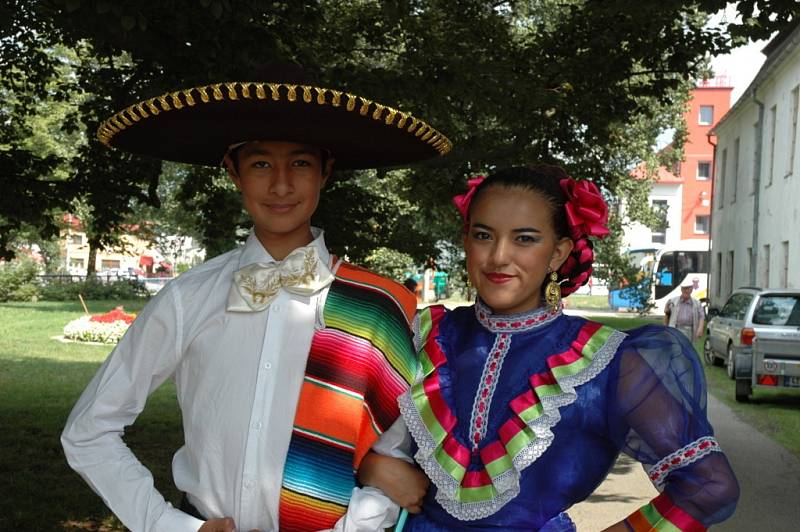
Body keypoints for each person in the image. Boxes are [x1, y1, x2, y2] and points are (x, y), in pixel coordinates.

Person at [61, 63, 450, 532]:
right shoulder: (189, 298)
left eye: (301, 164)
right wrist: (168, 525)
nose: (281, 185)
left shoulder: (377, 306)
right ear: (233, 172)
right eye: (261, 163)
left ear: (325, 171)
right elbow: (89, 430)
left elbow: (392, 453)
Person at [364, 165, 739, 530]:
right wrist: (367, 465)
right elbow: (326, 427)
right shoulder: (423, 333)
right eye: (483, 235)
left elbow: (709, 486)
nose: (498, 257)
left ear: (559, 253)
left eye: (524, 238)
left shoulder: (607, 361)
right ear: (465, 241)